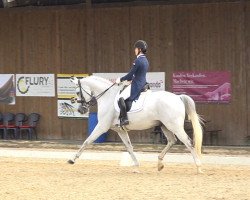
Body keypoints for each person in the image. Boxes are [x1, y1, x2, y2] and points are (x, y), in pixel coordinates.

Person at [115, 40, 149, 126]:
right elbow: (139, 74)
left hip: (137, 84)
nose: (135, 50)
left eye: (136, 49)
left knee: (120, 98)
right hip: (143, 82)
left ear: (140, 50)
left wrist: (120, 79)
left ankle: (124, 119)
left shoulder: (137, 61)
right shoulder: (145, 60)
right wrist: (131, 80)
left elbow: (130, 75)